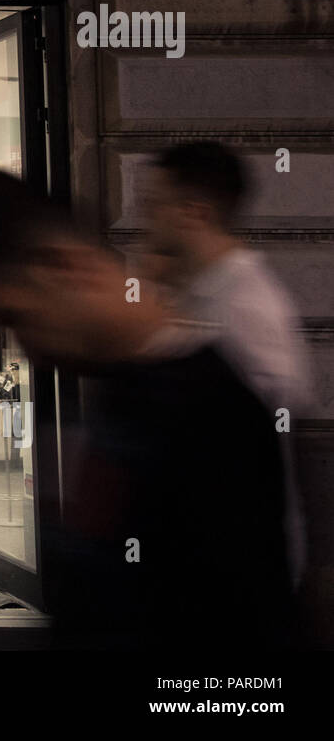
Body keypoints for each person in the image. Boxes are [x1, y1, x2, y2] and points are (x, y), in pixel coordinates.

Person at [0, 171, 293, 649]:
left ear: (56, 268)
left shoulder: (209, 409)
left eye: (17, 317)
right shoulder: (118, 392)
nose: (27, 348)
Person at [143, 140, 314, 591]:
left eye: (155, 205)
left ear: (194, 211)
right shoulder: (204, 294)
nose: (146, 219)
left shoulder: (244, 304)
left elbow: (264, 441)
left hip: (235, 568)